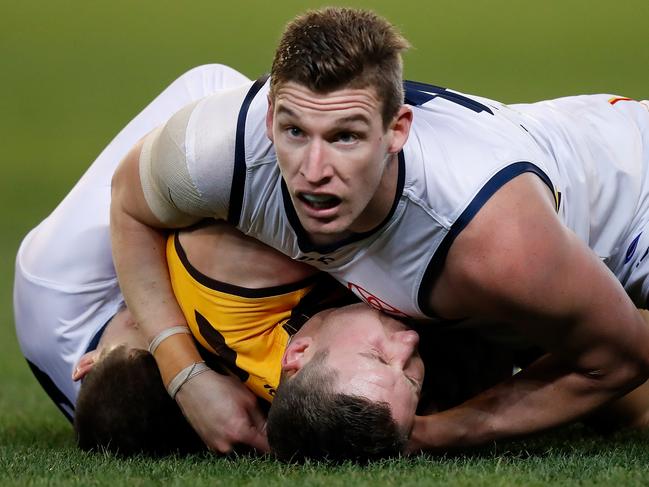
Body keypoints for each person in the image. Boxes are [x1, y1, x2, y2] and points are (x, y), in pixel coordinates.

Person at [108, 5, 649, 456]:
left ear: (397, 130)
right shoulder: (213, 152)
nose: (313, 169)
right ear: (270, 115)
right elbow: (129, 209)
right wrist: (186, 376)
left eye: (345, 137)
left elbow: (622, 356)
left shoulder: (489, 238)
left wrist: (432, 434)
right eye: (295, 130)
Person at [12, 63, 272, 452]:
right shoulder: (140, 413)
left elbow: (209, 82)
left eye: (140, 328)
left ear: (87, 364)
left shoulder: (52, 276)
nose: (166, 321)